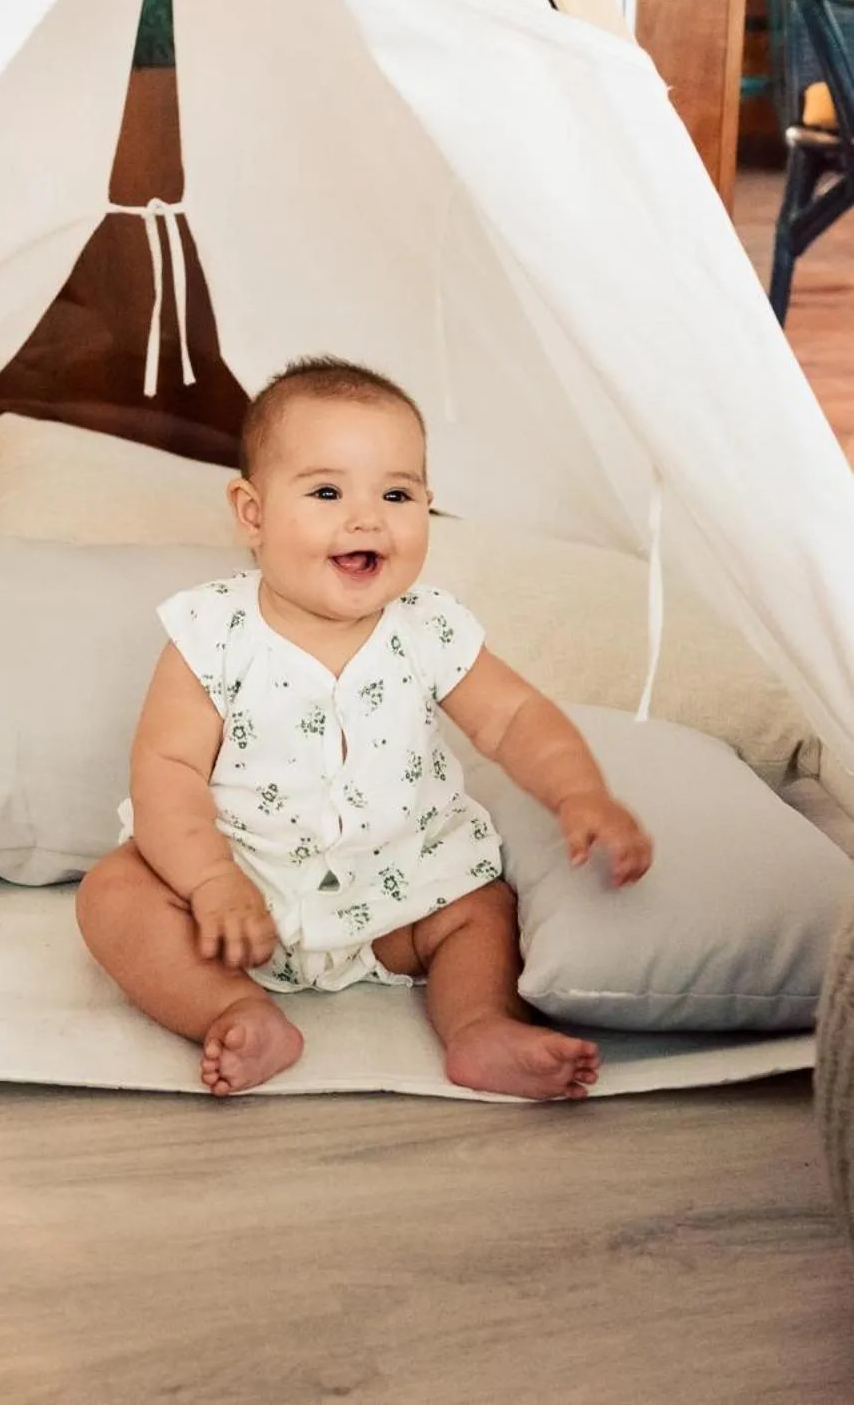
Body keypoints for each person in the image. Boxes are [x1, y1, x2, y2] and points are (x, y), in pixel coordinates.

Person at [77, 357, 653, 1101]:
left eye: (396, 493)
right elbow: (167, 771)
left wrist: (580, 794)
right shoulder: (210, 629)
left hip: (401, 893)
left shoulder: (430, 628)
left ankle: (479, 1026)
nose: (366, 518)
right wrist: (211, 881)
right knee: (113, 894)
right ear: (251, 513)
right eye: (325, 491)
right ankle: (235, 1010)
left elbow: (513, 717)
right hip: (236, 904)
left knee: (483, 909)